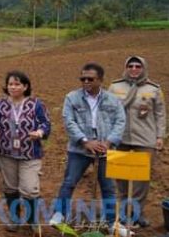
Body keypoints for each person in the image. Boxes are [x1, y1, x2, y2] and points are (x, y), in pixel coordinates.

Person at [50, 63, 126, 225]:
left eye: (90, 79)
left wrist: (108, 141)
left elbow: (120, 121)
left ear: (100, 80)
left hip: (105, 150)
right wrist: (85, 141)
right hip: (79, 149)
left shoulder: (113, 100)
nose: (85, 81)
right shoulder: (72, 97)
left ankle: (112, 222)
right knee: (69, 182)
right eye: (83, 78)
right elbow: (69, 122)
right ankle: (59, 214)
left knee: (108, 187)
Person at [108, 56, 166, 227]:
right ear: (125, 67)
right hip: (120, 137)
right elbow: (107, 111)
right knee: (120, 175)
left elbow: (160, 114)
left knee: (142, 177)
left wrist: (160, 136)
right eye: (130, 65)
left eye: (137, 66)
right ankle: (122, 210)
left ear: (143, 68)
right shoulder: (114, 87)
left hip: (145, 138)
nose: (134, 69)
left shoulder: (154, 89)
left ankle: (137, 212)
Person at [0, 71, 51, 231]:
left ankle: (32, 219)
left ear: (25, 86)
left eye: (17, 84)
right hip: (6, 153)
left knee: (30, 189)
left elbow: (46, 123)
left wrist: (39, 132)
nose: (13, 87)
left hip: (30, 153)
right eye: (10, 84)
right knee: (9, 187)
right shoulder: (0, 105)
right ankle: (14, 218)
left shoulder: (36, 104)